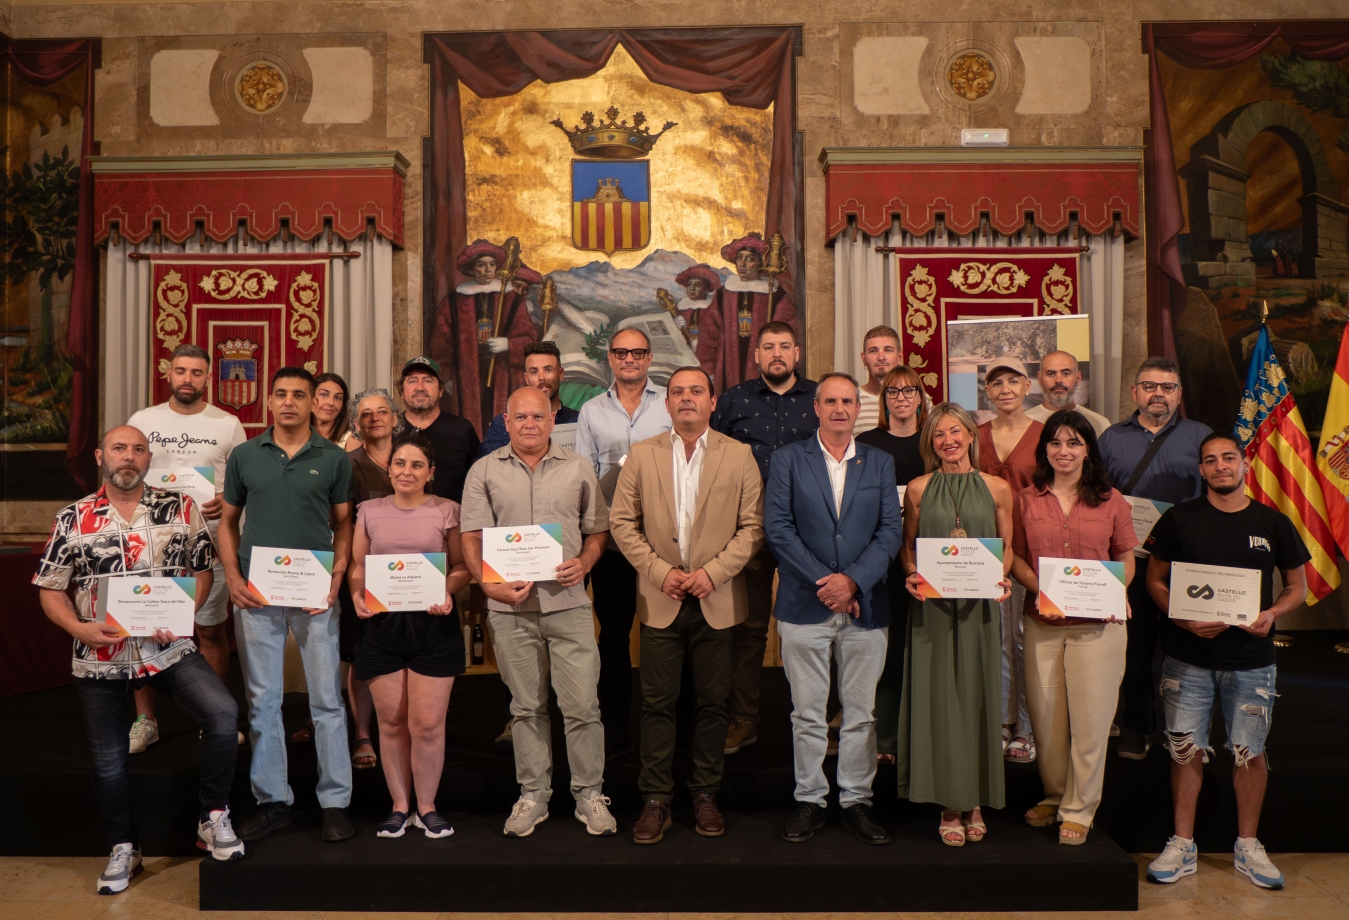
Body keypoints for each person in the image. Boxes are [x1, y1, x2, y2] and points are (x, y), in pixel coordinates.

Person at [33, 426, 243, 894]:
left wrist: (184, 613)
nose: (128, 457)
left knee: (223, 713)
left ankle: (213, 815)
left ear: (149, 458)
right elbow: (50, 589)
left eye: (138, 450)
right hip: (99, 656)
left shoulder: (180, 507)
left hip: (167, 649)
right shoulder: (73, 517)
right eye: (119, 449)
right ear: (100, 457)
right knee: (108, 760)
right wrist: (79, 628)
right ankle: (124, 847)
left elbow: (202, 571)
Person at [1143, 433, 1309, 890]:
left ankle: (1248, 845)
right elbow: (1155, 580)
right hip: (1187, 658)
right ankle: (1182, 843)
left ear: (1244, 464)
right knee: (1185, 749)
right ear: (1201, 469)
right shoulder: (1179, 518)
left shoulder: (1273, 523)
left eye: (1228, 458)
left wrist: (1271, 613)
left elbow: (1298, 586)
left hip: (1252, 661)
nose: (1220, 466)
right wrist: (1181, 617)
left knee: (1249, 752)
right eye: (1211, 460)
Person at [610, 366, 763, 844]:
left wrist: (712, 573)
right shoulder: (642, 454)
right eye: (678, 392)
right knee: (656, 704)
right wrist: (661, 573)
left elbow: (753, 527)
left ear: (713, 401)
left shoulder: (739, 455)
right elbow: (621, 523)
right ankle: (656, 798)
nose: (687, 398)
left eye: (697, 391)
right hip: (662, 597)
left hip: (717, 595)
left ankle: (705, 794)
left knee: (713, 704)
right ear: (667, 403)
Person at [460, 386, 615, 837]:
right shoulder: (484, 470)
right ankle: (533, 795)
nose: (530, 424)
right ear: (506, 422)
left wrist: (585, 562)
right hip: (510, 610)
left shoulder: (578, 467)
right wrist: (489, 586)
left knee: (583, 706)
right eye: (521, 417)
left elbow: (598, 530)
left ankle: (589, 794)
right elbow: (471, 536)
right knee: (526, 708)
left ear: (552, 421)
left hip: (568, 605)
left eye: (538, 416)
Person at [218, 366, 356, 843]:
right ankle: (273, 801)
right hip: (255, 593)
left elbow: (344, 523)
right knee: (263, 701)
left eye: (300, 394)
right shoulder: (245, 455)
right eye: (282, 394)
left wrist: (337, 574)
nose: (290, 402)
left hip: (315, 594)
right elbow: (228, 522)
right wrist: (232, 577)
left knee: (327, 700)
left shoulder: (334, 458)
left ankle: (335, 803)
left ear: (313, 402)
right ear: (269, 401)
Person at [765, 373, 903, 845]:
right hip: (804, 605)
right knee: (807, 714)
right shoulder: (788, 459)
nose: (840, 408)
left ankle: (856, 800)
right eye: (831, 401)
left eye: (848, 401)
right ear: (817, 408)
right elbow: (778, 528)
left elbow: (890, 531)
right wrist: (828, 584)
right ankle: (810, 799)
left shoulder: (879, 462)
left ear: (858, 409)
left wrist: (853, 581)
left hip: (867, 606)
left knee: (861, 714)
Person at [1009, 410, 1137, 844]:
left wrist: (1117, 591)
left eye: (1074, 443)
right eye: (1056, 443)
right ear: (1044, 448)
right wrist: (1043, 590)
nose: (1064, 451)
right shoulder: (1025, 500)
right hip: (1043, 621)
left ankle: (1080, 808)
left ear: (1088, 450)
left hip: (1098, 626)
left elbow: (1126, 557)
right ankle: (1055, 794)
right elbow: (1016, 558)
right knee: (1046, 721)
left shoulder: (1111, 500)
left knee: (1090, 721)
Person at [898, 402, 1014, 846]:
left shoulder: (998, 488)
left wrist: (1002, 577)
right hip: (932, 610)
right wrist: (911, 573)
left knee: (977, 697)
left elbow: (1007, 547)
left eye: (955, 432)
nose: (948, 440)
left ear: (970, 435)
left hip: (979, 609)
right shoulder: (918, 489)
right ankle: (949, 802)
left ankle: (976, 799)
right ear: (931, 442)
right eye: (939, 434)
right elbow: (908, 546)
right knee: (940, 700)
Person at [349, 433, 472, 840]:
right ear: (389, 469)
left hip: (433, 627)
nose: (407, 471)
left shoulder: (448, 510)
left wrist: (445, 591)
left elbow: (461, 566)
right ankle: (400, 806)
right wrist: (356, 594)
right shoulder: (368, 510)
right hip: (381, 627)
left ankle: (427, 807)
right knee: (391, 721)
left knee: (428, 724)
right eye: (400, 463)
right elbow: (358, 566)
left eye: (417, 465)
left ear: (430, 472)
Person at [126, 343, 247, 752]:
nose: (188, 379)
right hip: (150, 542)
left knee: (210, 630)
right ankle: (146, 721)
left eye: (196, 372)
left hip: (209, 542)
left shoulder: (227, 424)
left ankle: (213, 720)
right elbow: (127, 471)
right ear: (169, 373)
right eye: (181, 371)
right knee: (143, 629)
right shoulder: (143, 420)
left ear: (208, 377)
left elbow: (243, 483)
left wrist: (228, 498)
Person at [710, 320, 817, 754]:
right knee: (749, 628)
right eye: (768, 347)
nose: (777, 354)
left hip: (806, 529)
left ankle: (815, 717)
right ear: (756, 355)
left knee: (811, 626)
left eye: (785, 346)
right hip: (747, 527)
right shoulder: (734, 399)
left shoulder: (818, 398)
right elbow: (713, 458)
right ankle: (744, 719)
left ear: (797, 354)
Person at [1098, 357, 1210, 760]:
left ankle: (1188, 732)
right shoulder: (1111, 438)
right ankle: (1138, 726)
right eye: (1149, 386)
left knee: (1188, 648)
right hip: (1131, 559)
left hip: (1186, 561)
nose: (1158, 394)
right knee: (1135, 649)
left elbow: (1216, 494)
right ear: (1135, 392)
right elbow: (1097, 495)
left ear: (1179, 394)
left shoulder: (1201, 436)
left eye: (1167, 387)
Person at [576, 327, 672, 755]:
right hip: (612, 540)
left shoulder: (669, 402)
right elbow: (585, 474)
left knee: (663, 634)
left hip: (663, 539)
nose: (629, 358)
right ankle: (614, 728)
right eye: (621, 352)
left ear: (649, 358)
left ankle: (664, 727)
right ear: (610, 358)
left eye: (637, 352)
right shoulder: (592, 410)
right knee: (613, 634)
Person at [857, 365, 929, 763]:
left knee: (919, 647)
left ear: (921, 397)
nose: (901, 398)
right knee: (883, 648)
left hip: (927, 560)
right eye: (892, 392)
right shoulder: (867, 443)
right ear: (883, 400)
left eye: (909, 390)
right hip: (879, 560)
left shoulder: (934, 443)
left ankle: (921, 736)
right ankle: (884, 737)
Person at [976, 356, 1044, 765]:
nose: (1005, 389)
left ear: (1027, 386)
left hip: (1028, 550)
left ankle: (1028, 726)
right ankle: (1004, 720)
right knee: (997, 637)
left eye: (1013, 381)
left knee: (1024, 638)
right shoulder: (976, 436)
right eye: (997, 382)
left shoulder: (1043, 434)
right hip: (985, 552)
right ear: (987, 390)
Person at [341, 389, 401, 772]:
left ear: (396, 419)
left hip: (411, 576)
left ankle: (401, 726)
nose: (375, 417)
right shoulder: (347, 465)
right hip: (363, 573)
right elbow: (341, 525)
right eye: (366, 413)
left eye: (382, 411)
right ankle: (363, 733)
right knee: (361, 654)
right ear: (355, 424)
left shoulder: (411, 456)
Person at [430, 239, 537, 435]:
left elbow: (530, 340)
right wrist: (447, 377)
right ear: (472, 269)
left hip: (504, 376)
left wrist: (508, 344)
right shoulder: (453, 302)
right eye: (481, 264)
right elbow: (441, 345)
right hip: (467, 378)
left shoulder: (511, 299)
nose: (488, 270)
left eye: (492, 264)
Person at [696, 232, 799, 393]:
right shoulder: (724, 294)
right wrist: (708, 369)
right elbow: (708, 334)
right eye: (739, 258)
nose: (742, 264)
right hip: (727, 366)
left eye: (750, 259)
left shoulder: (775, 296)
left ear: (760, 263)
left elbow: (788, 335)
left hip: (764, 369)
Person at [399, 355, 481, 503]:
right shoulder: (389, 429)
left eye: (428, 381)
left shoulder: (462, 429)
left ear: (441, 390)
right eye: (412, 381)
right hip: (399, 514)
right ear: (401, 393)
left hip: (453, 516)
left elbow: (479, 481)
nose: (420, 387)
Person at [477, 341, 580, 458]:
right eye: (534, 372)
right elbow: (484, 465)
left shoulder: (579, 420)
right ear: (526, 378)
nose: (541, 377)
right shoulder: (502, 424)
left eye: (548, 370)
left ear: (560, 374)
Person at [1025, 350, 1111, 436]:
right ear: (1039, 379)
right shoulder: (1023, 422)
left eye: (1066, 373)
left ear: (1078, 378)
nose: (1058, 380)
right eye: (1051, 374)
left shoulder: (1100, 425)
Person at [854, 326, 901, 436]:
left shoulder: (917, 398)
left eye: (888, 350)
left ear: (899, 357)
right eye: (873, 351)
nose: (881, 357)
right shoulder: (849, 400)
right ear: (864, 358)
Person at [673, 263, 721, 355]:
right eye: (689, 284)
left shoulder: (713, 310)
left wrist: (701, 344)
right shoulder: (681, 308)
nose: (692, 288)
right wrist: (675, 326)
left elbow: (716, 336)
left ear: (706, 289)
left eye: (697, 285)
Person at [313, 373, 352, 447]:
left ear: (343, 405)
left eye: (337, 397)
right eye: (324, 395)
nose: (331, 402)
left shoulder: (351, 440)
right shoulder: (295, 435)